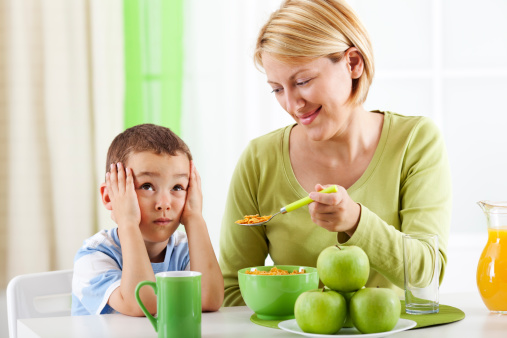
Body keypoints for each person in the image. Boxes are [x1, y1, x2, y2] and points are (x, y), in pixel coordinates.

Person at [219, 0, 451, 306]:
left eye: (302, 81)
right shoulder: (259, 159)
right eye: (277, 89)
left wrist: (356, 221)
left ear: (353, 63)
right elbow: (232, 289)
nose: (292, 105)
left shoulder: (414, 142)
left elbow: (428, 275)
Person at [72, 123, 224, 315]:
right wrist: (127, 222)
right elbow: (143, 305)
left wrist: (195, 218)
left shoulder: (186, 251)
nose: (164, 203)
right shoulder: (94, 256)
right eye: (146, 186)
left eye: (177, 187)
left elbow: (209, 300)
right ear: (110, 196)